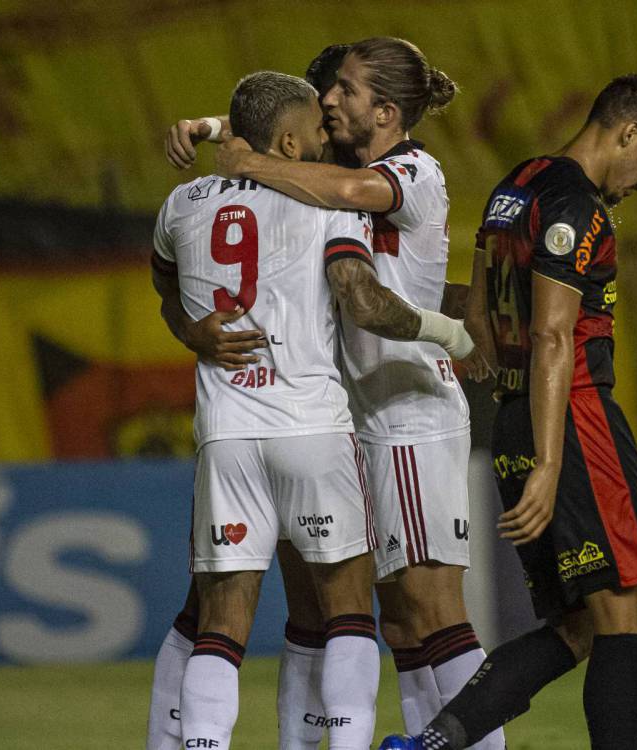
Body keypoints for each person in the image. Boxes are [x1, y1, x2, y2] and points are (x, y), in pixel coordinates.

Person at [157, 38, 504, 750]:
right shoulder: (330, 172)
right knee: (392, 618)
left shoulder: (411, 169)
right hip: (352, 414)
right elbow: (292, 143)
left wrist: (249, 157)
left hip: (406, 408)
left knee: (430, 608)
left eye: (344, 92)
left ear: (386, 109)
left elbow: (345, 205)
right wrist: (221, 128)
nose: (330, 103)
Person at [380, 73, 637, 750]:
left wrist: (515, 409)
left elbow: (484, 309)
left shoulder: (516, 184)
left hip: (520, 414)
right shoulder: (578, 207)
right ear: (628, 132)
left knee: (577, 625)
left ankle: (431, 743)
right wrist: (550, 464)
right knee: (624, 609)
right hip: (571, 419)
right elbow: (552, 334)